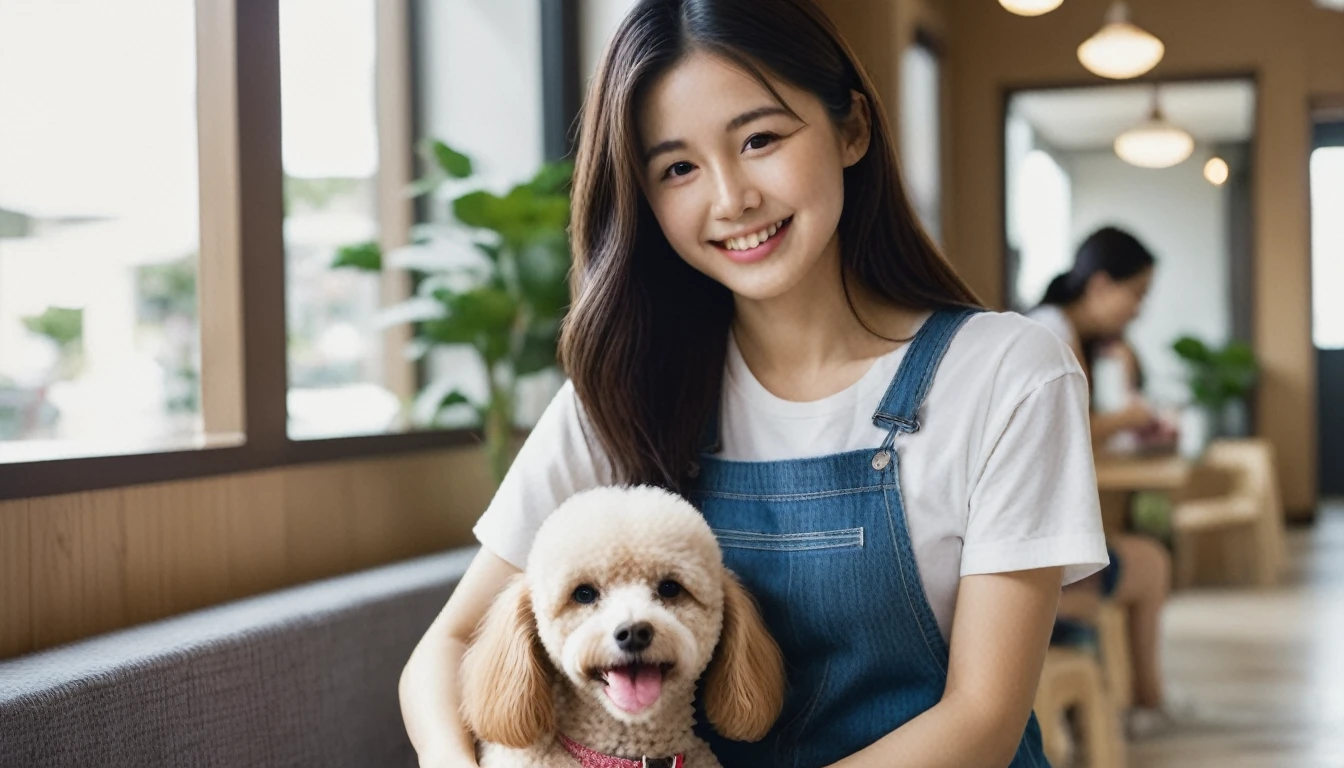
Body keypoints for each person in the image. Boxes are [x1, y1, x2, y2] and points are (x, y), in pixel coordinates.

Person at [400, 2, 1108, 766]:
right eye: (678, 168)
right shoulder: (627, 391)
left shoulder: (1008, 374)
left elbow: (982, 721)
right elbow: (445, 650)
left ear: (852, 129)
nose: (731, 197)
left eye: (760, 139)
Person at [1028, 226, 1185, 737]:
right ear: (1099, 285)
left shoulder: (1065, 333)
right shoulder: (1050, 335)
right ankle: (1143, 701)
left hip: (1037, 543)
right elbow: (1062, 433)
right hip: (1037, 560)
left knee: (1144, 557)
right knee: (1152, 563)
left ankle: (1142, 700)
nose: (1139, 309)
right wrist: (1128, 418)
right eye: (1136, 294)